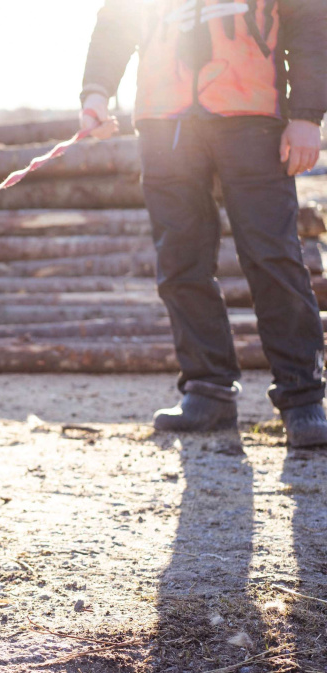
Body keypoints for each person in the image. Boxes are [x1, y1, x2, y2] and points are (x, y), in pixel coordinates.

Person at [79, 0, 327, 447]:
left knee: (273, 256)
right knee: (179, 262)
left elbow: (311, 22)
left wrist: (307, 116)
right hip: (163, 124)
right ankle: (207, 391)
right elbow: (116, 19)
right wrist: (96, 92)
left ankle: (302, 398)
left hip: (253, 120)